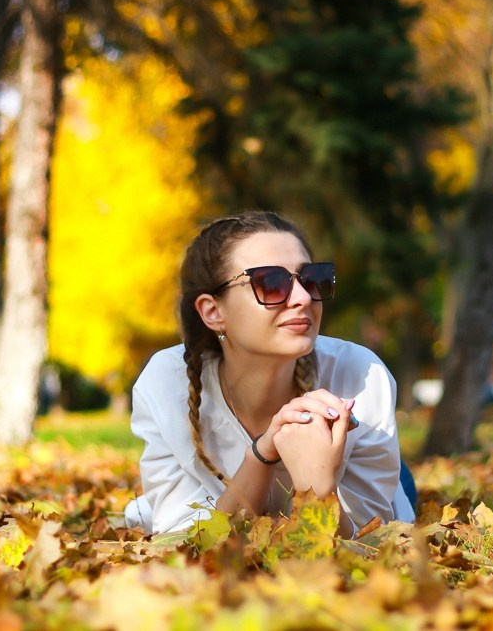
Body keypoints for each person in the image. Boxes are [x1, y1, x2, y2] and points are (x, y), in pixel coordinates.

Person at [125, 211, 416, 537]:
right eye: (271, 282)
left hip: (363, 485)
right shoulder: (166, 384)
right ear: (213, 311)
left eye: (311, 279)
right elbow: (190, 545)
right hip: (221, 507)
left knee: (400, 483)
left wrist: (317, 485)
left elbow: (367, 547)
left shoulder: (361, 374)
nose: (304, 298)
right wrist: (262, 454)